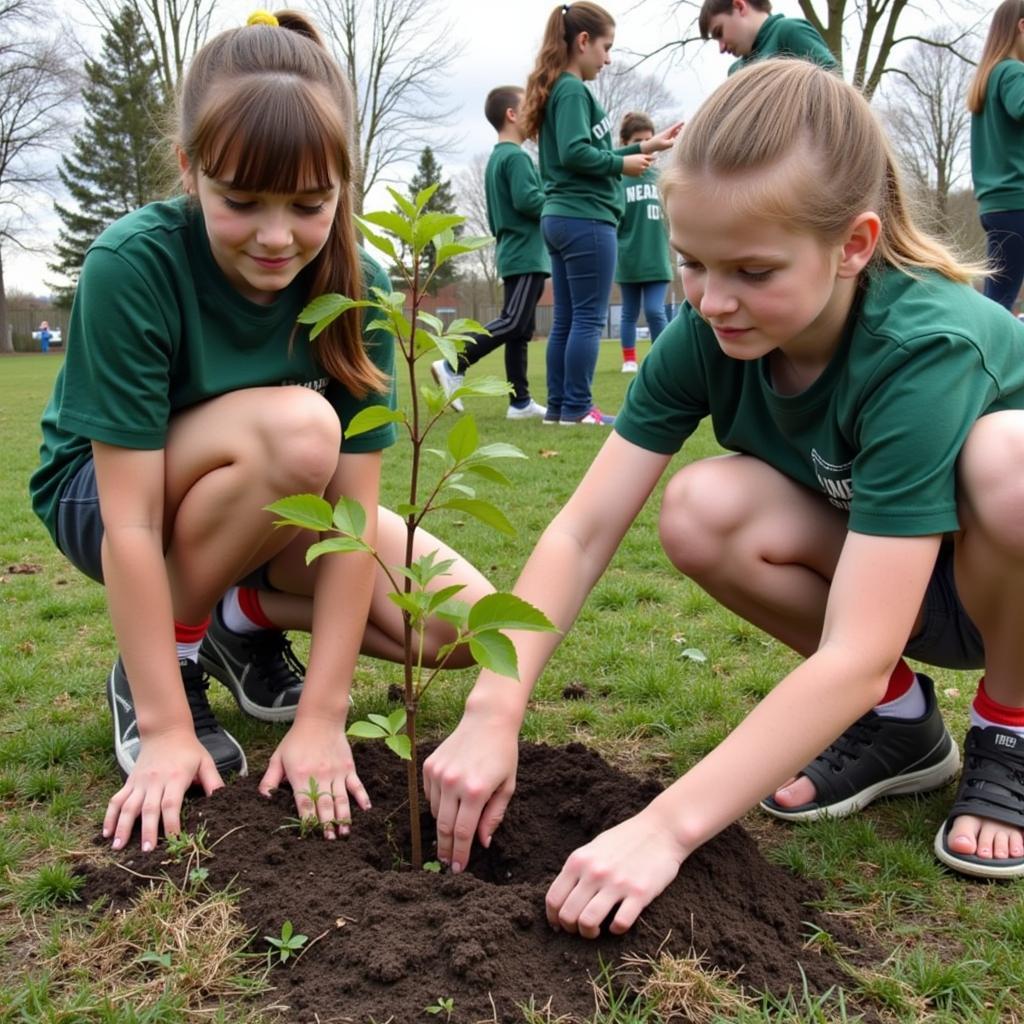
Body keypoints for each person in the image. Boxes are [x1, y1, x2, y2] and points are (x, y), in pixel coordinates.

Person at [423, 58, 1024, 940]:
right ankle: (898, 724)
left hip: (995, 583)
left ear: (853, 245)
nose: (712, 299)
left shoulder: (923, 346)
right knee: (701, 505)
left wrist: (664, 829)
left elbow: (856, 644)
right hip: (886, 576)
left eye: (751, 270)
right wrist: (493, 706)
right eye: (692, 262)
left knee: (1007, 464)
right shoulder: (706, 334)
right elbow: (586, 530)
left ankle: (1009, 728)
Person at [29, 9, 491, 855]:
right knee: (302, 431)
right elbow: (130, 521)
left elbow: (349, 529)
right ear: (190, 169)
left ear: (342, 186)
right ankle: (163, 663)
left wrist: (324, 716)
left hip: (276, 501)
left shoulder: (361, 289)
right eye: (240, 202)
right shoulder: (134, 267)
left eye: (310, 205)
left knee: (463, 624)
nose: (277, 237)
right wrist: (166, 722)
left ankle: (239, 620)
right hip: (109, 499)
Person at [521, 2, 681, 426]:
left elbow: (589, 150)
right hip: (585, 218)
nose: (608, 59)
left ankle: (559, 409)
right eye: (606, 48)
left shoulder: (560, 88)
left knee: (568, 320)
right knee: (588, 318)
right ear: (583, 41)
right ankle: (577, 408)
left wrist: (644, 148)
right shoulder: (572, 89)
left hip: (560, 218)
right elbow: (577, 153)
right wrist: (619, 166)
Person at [431, 85, 549, 421]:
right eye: (529, 107)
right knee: (513, 321)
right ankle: (454, 362)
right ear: (512, 115)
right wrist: (557, 204)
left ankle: (520, 402)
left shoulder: (498, 158)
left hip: (514, 253)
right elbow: (528, 201)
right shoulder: (516, 157)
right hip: (526, 253)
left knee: (521, 329)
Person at [968, 0, 1024, 312]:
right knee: (999, 303)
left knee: (997, 301)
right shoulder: (1014, 72)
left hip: (998, 207)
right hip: (1018, 202)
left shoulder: (990, 76)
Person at [614, 112, 673, 373]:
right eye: (640, 141)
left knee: (654, 310)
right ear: (626, 142)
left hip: (657, 257)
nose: (648, 146)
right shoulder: (618, 178)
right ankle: (629, 359)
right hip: (629, 258)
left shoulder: (662, 179)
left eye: (651, 140)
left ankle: (662, 358)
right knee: (629, 312)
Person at [699, 0, 836, 74]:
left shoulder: (789, 32)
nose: (721, 48)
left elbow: (834, 87)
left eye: (719, 33)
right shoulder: (734, 71)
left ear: (739, 6)